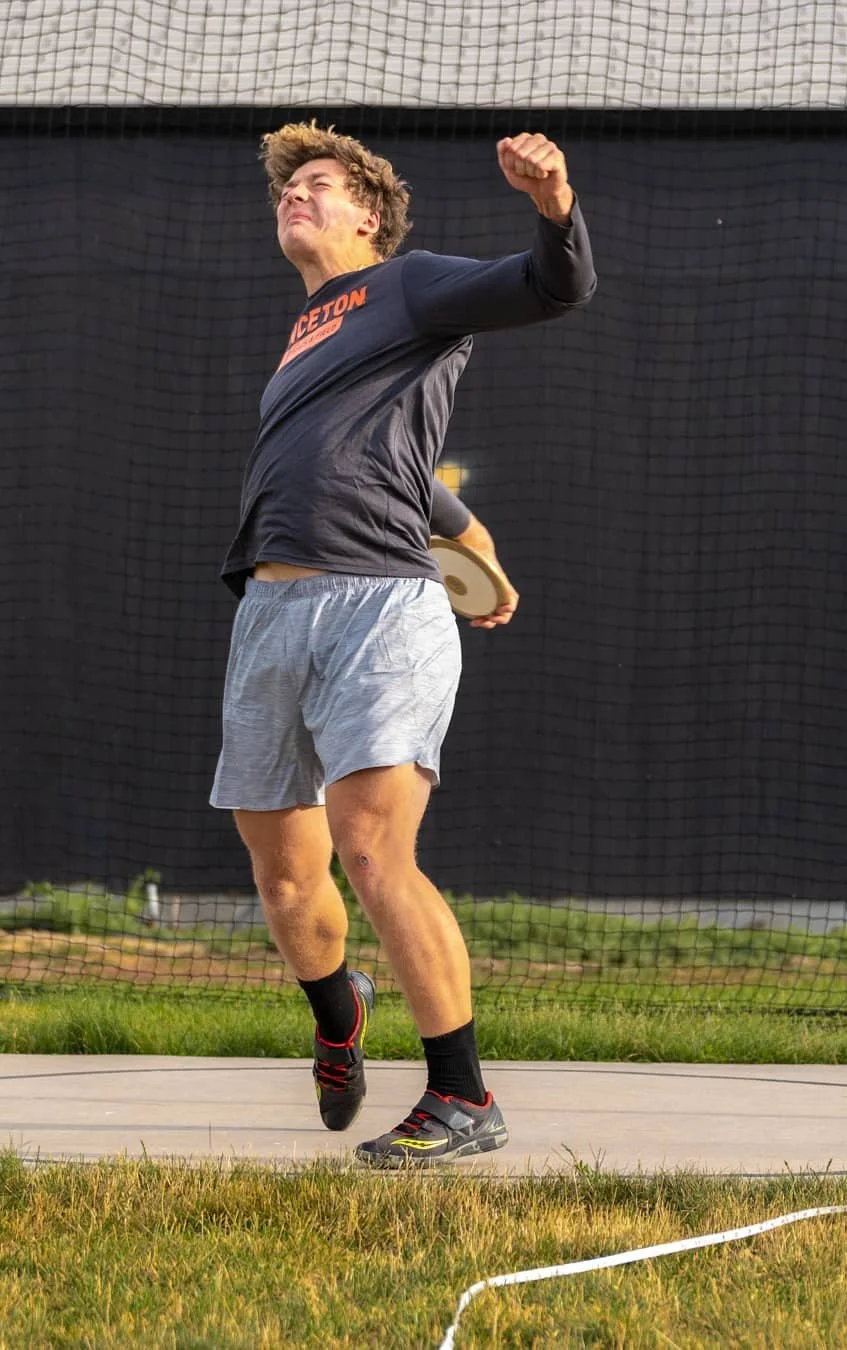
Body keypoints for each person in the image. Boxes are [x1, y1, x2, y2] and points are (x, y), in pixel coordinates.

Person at [211, 122, 596, 1165]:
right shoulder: (309, 329)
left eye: (320, 186)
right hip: (271, 615)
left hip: (381, 607)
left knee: (375, 854)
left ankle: (462, 1097)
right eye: (288, 189)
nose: (296, 196)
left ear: (369, 215)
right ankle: (340, 1013)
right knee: (287, 882)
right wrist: (477, 537)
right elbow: (387, 462)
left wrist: (554, 203)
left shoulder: (412, 285)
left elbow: (554, 288)